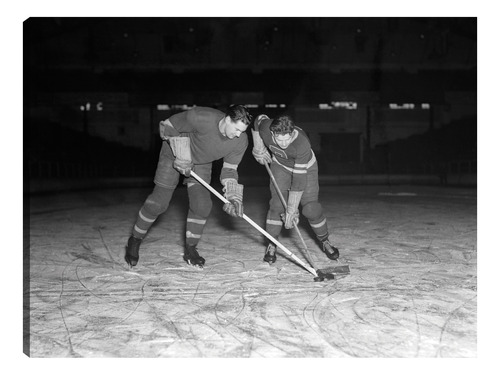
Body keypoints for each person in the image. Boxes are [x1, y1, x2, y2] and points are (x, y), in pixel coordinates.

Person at [125, 105, 252, 268]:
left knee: (202, 205)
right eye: (236, 129)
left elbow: (229, 170)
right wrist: (182, 154)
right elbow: (167, 126)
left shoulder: (241, 141)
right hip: (172, 154)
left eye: (242, 131)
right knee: (158, 203)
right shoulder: (201, 117)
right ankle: (135, 239)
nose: (238, 135)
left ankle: (191, 249)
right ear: (227, 119)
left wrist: (233, 196)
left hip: (201, 162)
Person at [251, 114, 340, 264]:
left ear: (292, 133)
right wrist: (258, 145)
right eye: (279, 139)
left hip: (306, 169)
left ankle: (325, 241)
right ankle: (272, 244)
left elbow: (298, 182)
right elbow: (257, 120)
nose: (283, 143)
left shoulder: (302, 143)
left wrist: (292, 209)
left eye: (287, 139)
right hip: (280, 166)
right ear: (272, 134)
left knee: (311, 208)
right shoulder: (266, 128)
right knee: (277, 205)